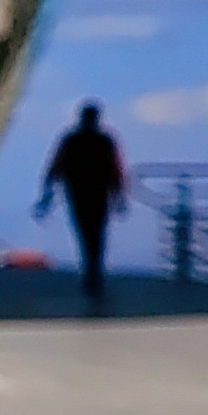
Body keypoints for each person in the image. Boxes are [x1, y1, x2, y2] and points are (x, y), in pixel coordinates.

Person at [37, 103, 125, 304]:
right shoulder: (104, 141)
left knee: (84, 232)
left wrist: (46, 196)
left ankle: (90, 273)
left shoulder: (71, 140)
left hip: (77, 193)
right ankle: (94, 273)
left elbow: (55, 167)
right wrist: (119, 197)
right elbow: (116, 170)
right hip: (98, 193)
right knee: (97, 233)